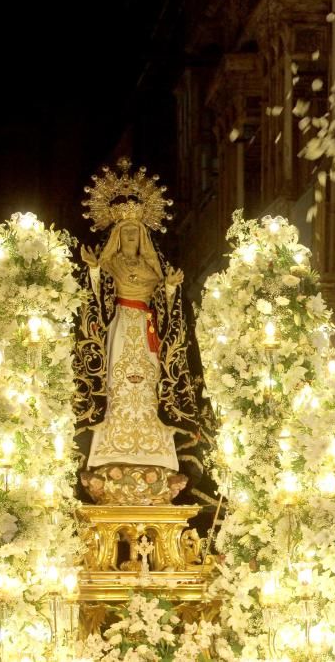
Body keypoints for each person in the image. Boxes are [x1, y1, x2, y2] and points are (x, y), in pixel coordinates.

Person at [73, 160, 212, 506]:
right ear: (117, 237)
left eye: (137, 233)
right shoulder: (109, 267)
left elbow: (171, 316)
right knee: (118, 385)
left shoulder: (155, 269)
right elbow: (95, 304)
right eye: (127, 234)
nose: (132, 239)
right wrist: (92, 272)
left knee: (148, 388)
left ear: (144, 236)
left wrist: (168, 291)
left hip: (148, 333)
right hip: (120, 329)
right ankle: (109, 451)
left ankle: (156, 453)